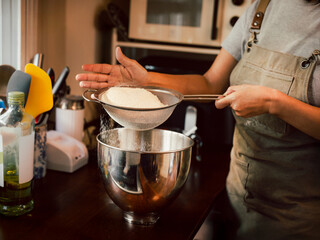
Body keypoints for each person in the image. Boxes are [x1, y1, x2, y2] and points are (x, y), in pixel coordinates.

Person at [76, 0, 320, 239]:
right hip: (238, 196)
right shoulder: (261, 8)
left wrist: (274, 103)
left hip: (299, 215)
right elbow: (210, 82)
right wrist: (146, 80)